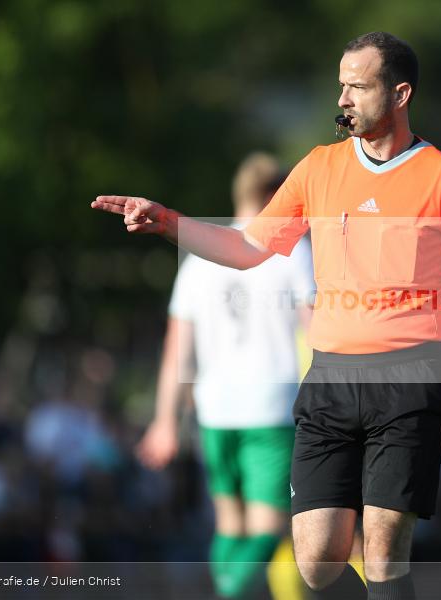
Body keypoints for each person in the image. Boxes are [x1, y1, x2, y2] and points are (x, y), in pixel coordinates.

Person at [93, 31, 441, 600]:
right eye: (341, 86)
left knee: (384, 549)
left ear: (401, 93)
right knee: (315, 561)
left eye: (358, 87)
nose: (345, 99)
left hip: (410, 378)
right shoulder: (317, 168)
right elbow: (246, 249)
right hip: (330, 379)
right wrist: (168, 221)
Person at [135, 153, 314, 600]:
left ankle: (230, 589)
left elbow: (178, 351)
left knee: (231, 527)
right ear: (277, 196)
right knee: (270, 530)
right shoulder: (290, 251)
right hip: (271, 409)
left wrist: (164, 422)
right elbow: (320, 331)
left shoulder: (198, 261)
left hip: (215, 410)